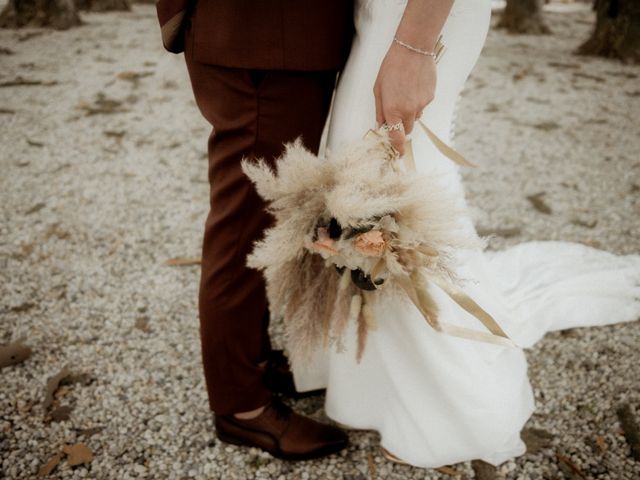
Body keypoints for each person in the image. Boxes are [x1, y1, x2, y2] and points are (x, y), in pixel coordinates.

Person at [291, 0, 640, 468]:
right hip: (381, 18)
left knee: (394, 185)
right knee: (369, 181)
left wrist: (412, 49)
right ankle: (375, 388)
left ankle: (451, 407)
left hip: (414, 22)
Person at [156, 0, 355, 460]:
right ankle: (240, 405)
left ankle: (253, 360)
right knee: (241, 226)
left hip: (287, 40)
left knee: (264, 218)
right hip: (258, 38)